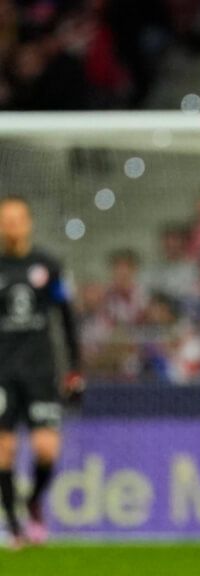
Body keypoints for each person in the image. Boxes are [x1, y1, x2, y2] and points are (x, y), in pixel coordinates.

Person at [0, 196, 84, 549]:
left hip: (40, 371)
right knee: (2, 451)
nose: (12, 224)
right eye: (6, 219)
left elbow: (66, 318)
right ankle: (15, 527)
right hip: (2, 373)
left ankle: (33, 501)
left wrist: (75, 368)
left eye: (18, 218)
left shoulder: (48, 265)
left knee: (46, 450)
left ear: (29, 222)